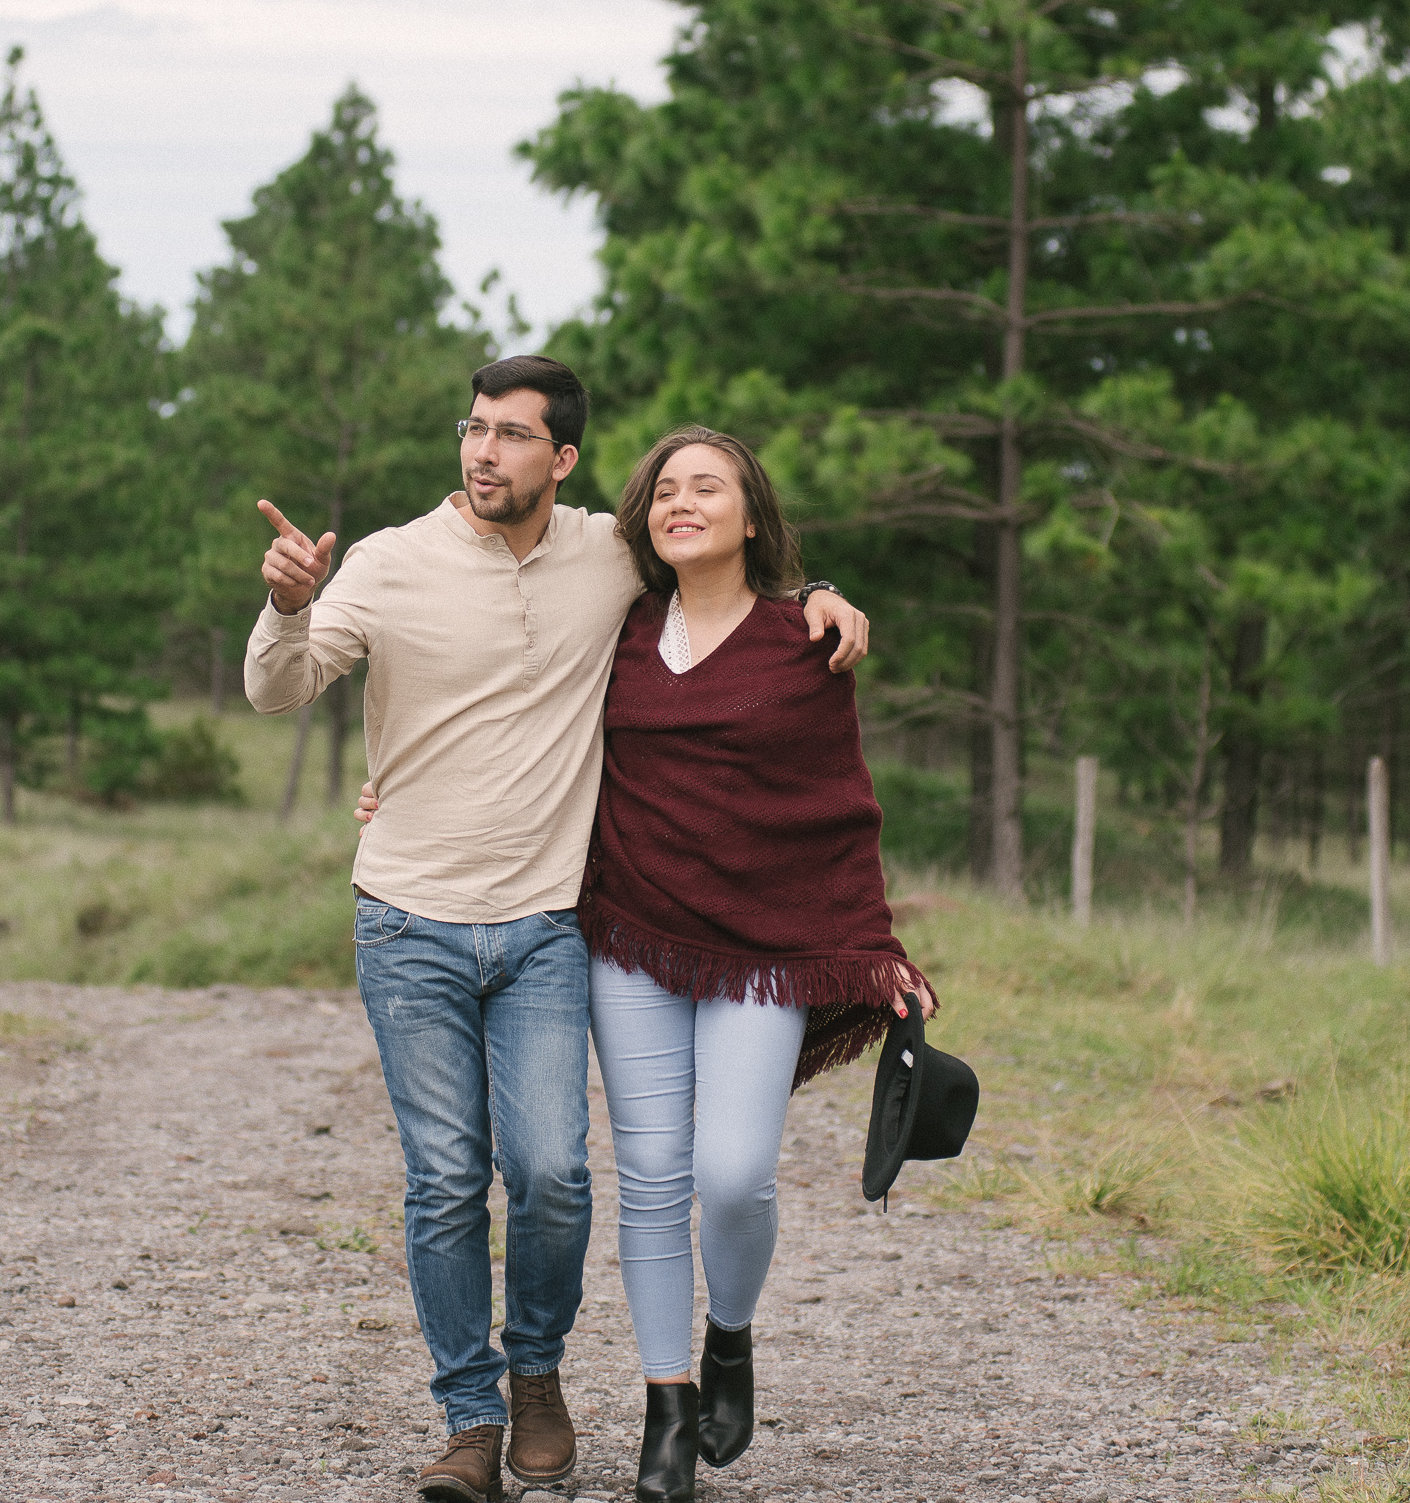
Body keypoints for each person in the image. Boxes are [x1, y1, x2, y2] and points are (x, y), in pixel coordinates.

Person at [245, 357, 869, 1503]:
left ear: (563, 460)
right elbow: (281, 690)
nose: (485, 453)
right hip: (407, 922)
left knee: (550, 1175)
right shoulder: (386, 563)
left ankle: (539, 1376)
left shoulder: (605, 556)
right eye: (474, 430)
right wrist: (286, 606)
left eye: (514, 436)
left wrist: (819, 590)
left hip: (544, 926)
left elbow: (715, 556)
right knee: (443, 1180)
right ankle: (471, 1421)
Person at [582, 426, 937, 1503]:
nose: (680, 504)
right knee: (649, 1179)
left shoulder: (807, 642)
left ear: (750, 516)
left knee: (731, 1175)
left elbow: (836, 810)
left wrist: (874, 953)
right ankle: (666, 1404)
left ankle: (728, 1333)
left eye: (706, 488)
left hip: (763, 953)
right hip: (631, 931)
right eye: (663, 492)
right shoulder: (616, 627)